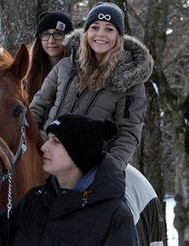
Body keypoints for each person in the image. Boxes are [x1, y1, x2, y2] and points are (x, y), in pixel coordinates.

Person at [0, 114, 135, 245]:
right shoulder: (35, 201)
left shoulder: (114, 216)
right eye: (48, 139)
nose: (44, 147)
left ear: (79, 153)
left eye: (55, 142)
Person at [29, 2, 151, 166]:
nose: (100, 34)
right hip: (45, 153)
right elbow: (37, 108)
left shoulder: (130, 81)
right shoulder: (65, 66)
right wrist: (30, 144)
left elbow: (128, 133)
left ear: (119, 36)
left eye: (109, 29)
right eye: (95, 27)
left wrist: (109, 167)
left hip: (88, 164)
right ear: (86, 32)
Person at [24, 11, 73, 98]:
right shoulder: (27, 75)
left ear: (68, 38)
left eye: (58, 34)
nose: (51, 41)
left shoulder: (80, 71)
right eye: (46, 34)